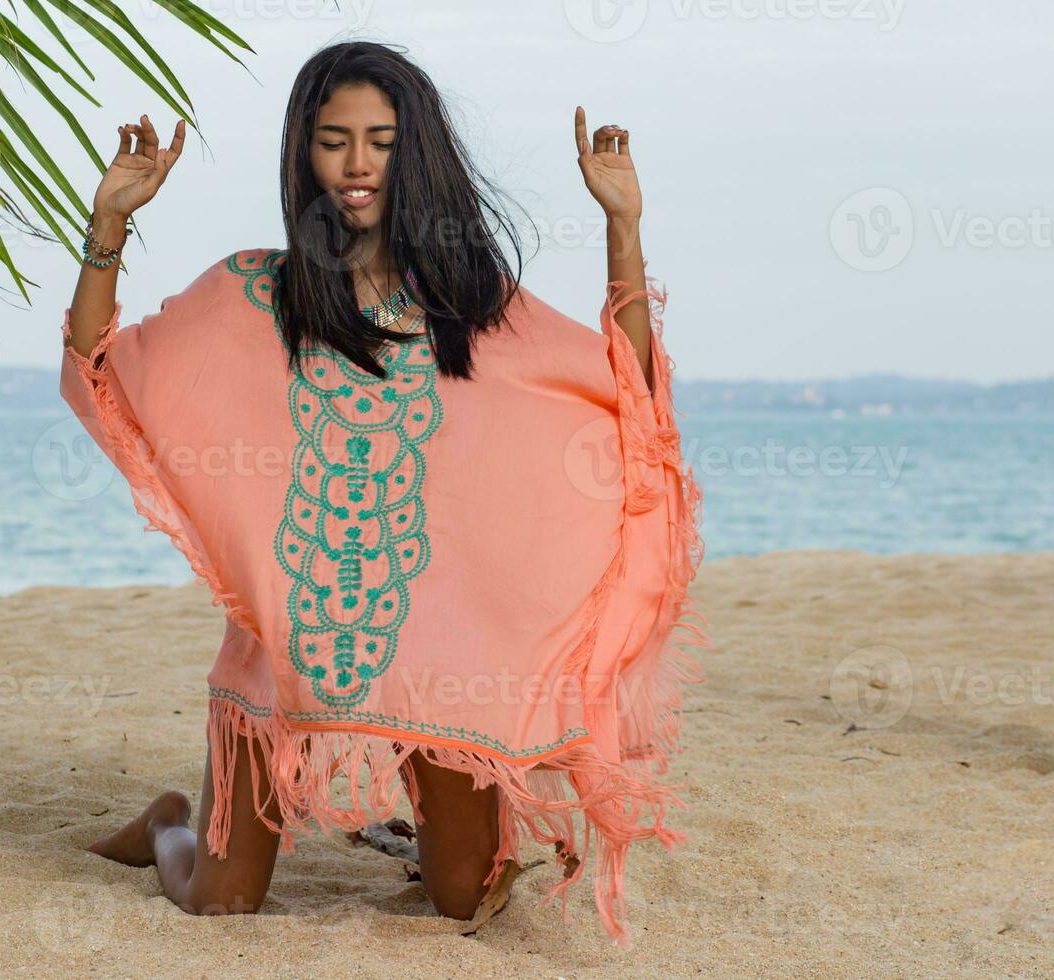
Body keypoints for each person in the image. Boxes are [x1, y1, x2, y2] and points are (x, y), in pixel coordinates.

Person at [60, 40, 707, 946]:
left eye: (381, 141)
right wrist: (109, 225)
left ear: (417, 153)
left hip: (440, 672)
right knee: (224, 901)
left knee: (464, 899)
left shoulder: (475, 307)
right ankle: (169, 818)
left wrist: (622, 227)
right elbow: (103, 375)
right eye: (333, 141)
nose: (358, 165)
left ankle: (420, 822)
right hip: (282, 659)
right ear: (304, 153)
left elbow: (624, 393)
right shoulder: (254, 293)